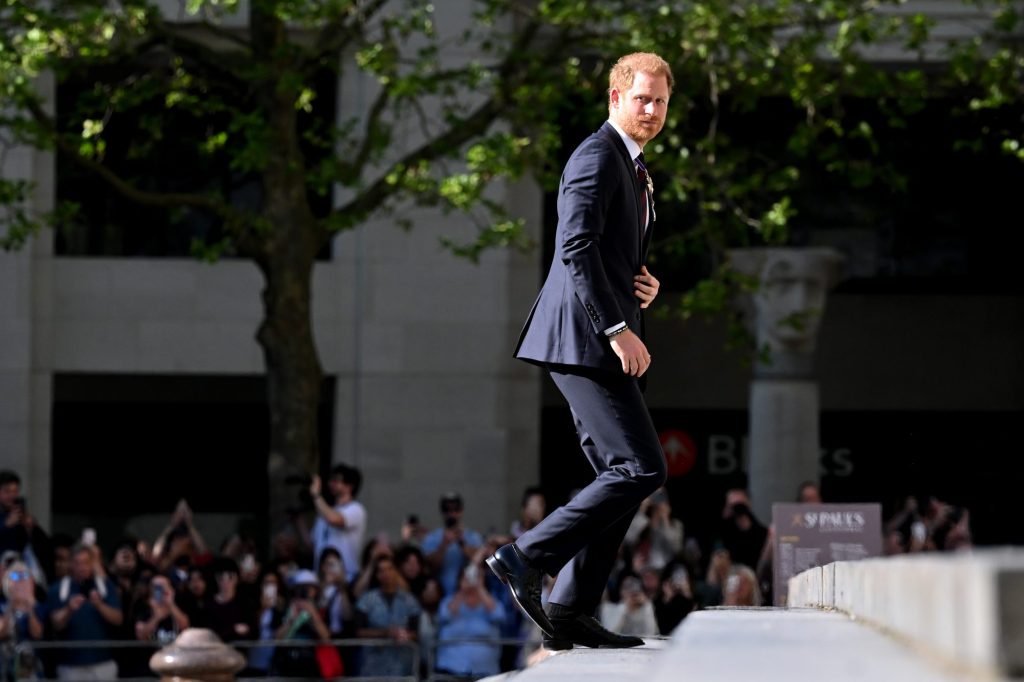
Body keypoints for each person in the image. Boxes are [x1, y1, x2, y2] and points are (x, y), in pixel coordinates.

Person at [488, 51, 672, 651]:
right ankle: (526, 556)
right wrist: (618, 326)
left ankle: (568, 608)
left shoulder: (635, 165)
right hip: (586, 340)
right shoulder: (597, 155)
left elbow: (610, 252)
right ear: (616, 98)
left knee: (618, 476)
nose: (651, 109)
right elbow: (576, 246)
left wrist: (643, 283)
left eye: (661, 101)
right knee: (643, 467)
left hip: (603, 335)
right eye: (642, 98)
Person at [44, 542, 123, 679]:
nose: (81, 567)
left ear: (92, 563)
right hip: (70, 666)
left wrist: (99, 605)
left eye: (86, 562)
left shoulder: (105, 586)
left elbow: (118, 619)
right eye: (77, 562)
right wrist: (69, 609)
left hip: (103, 664)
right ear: (70, 564)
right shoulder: (58, 589)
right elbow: (55, 624)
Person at [434, 562, 507, 678]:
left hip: (485, 670)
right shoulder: (449, 601)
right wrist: (463, 590)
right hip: (451, 668)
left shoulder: (491, 601)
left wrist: (480, 588)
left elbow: (499, 616)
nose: (472, 579)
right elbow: (445, 615)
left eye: (477, 576)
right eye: (467, 576)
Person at [354, 555, 421, 678]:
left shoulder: (410, 600)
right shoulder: (366, 600)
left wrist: (404, 635)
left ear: (396, 571)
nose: (386, 573)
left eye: (390, 569)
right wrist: (386, 633)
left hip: (402, 668)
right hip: (373, 667)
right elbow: (359, 631)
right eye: (381, 570)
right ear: (377, 575)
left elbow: (416, 632)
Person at [308, 463, 366, 582]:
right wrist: (297, 521)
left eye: (336, 480)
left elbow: (334, 519)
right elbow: (312, 544)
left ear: (350, 486)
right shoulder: (324, 512)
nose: (331, 484)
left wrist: (316, 495)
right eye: (331, 480)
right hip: (321, 577)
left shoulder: (356, 509)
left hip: (346, 578)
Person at [423, 493, 483, 596]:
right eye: (447, 510)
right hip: (441, 596)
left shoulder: (473, 537)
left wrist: (462, 544)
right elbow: (430, 567)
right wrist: (444, 544)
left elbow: (481, 562)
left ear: (461, 511)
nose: (452, 513)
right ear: (442, 512)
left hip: (468, 597)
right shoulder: (432, 538)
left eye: (456, 509)